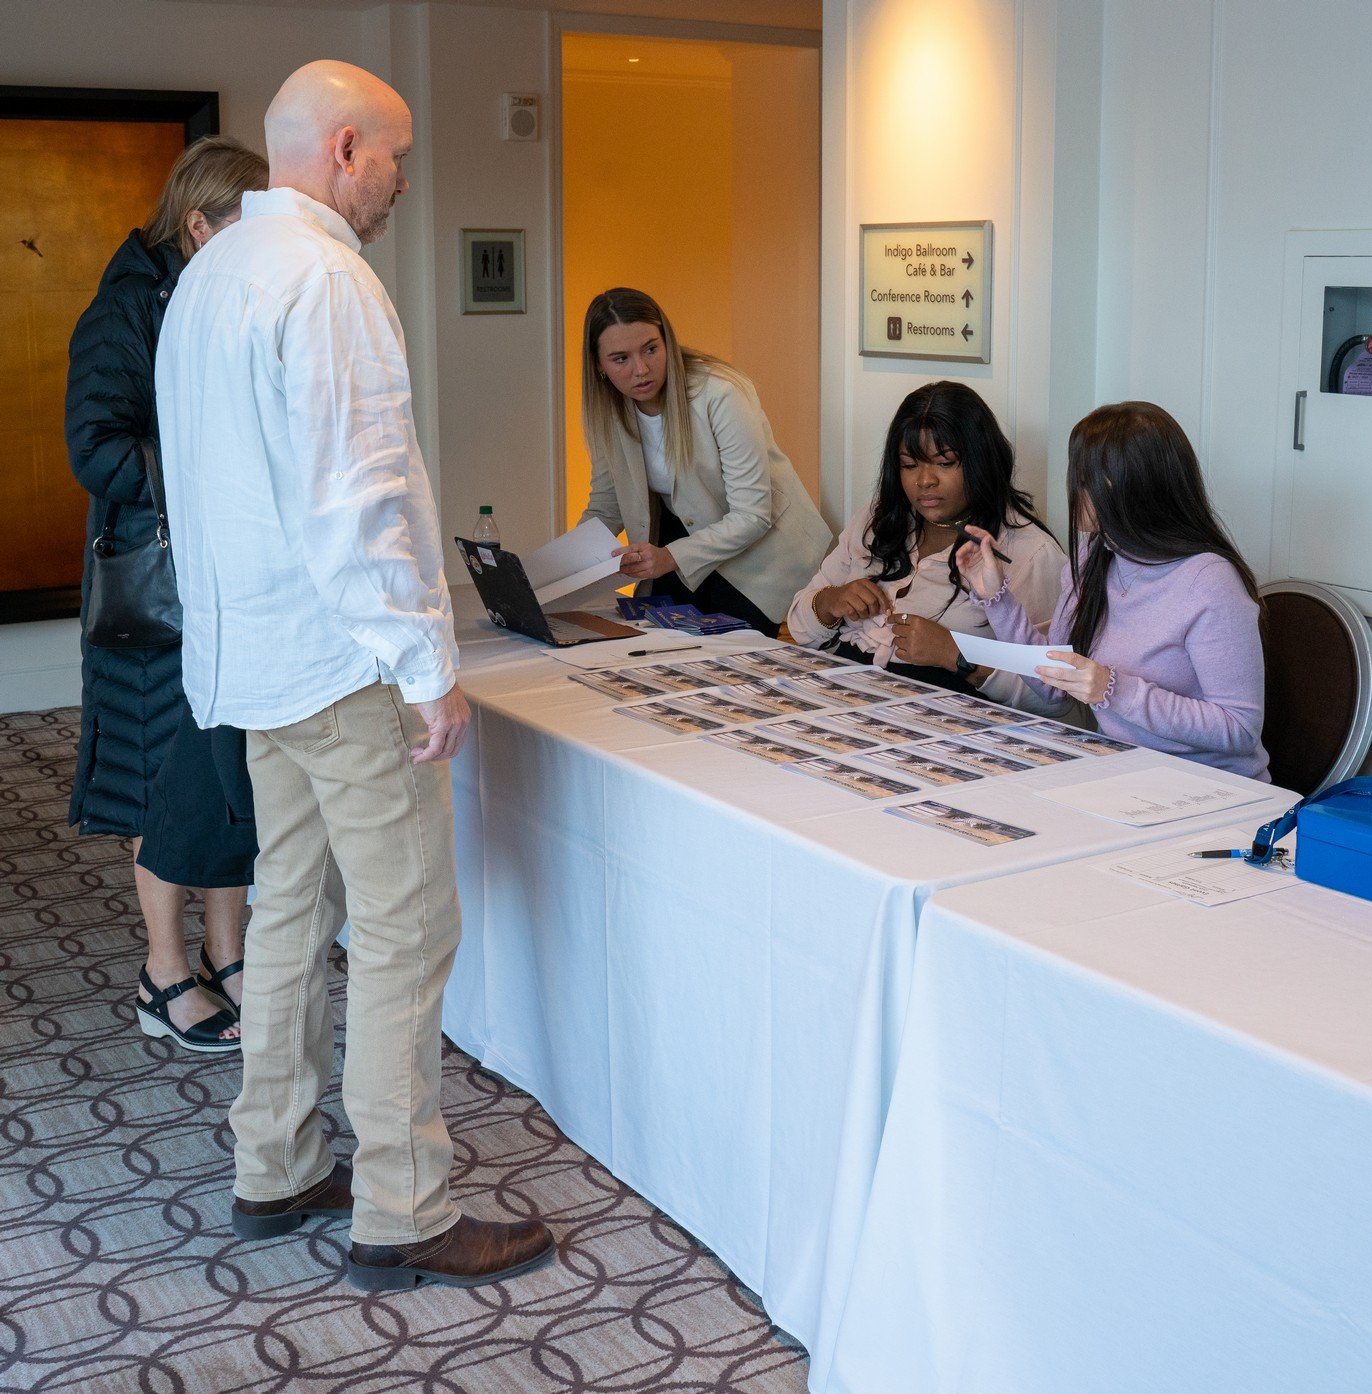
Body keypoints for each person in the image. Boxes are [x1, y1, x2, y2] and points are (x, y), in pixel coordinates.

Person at [156, 60, 555, 1289]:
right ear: (342, 149)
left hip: (254, 657)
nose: (400, 182)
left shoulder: (212, 271)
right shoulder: (328, 279)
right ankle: (403, 1203)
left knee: (289, 906)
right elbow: (360, 497)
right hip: (342, 660)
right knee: (405, 924)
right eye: (395, 157)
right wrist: (428, 664)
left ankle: (273, 1161)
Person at [66, 135, 269, 1054]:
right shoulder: (123, 309)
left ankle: (226, 954)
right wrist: (200, 470)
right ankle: (162, 971)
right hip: (153, 591)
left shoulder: (212, 291)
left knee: (223, 775)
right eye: (248, 225)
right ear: (198, 225)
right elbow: (94, 450)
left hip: (219, 576)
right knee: (161, 780)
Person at [956, 401, 1270, 779]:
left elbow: (1240, 729)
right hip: (1125, 772)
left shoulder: (1209, 581)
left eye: (1082, 478)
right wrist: (997, 598)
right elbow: (1054, 687)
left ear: (1122, 484)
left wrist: (1113, 689)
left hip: (1208, 783)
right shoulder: (1094, 555)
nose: (1072, 490)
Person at [787, 381, 1070, 715]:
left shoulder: (1029, 552)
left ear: (980, 462)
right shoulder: (877, 519)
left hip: (948, 722)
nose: (924, 481)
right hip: (847, 700)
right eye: (909, 465)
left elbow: (1056, 700)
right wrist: (831, 601)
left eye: (944, 463)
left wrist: (956, 655)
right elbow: (800, 629)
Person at [577, 288, 831, 634]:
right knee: (650, 649)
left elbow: (753, 515)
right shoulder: (605, 411)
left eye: (651, 349)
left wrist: (670, 557)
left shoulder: (720, 393)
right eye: (620, 359)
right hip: (679, 545)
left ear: (667, 342)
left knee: (728, 658)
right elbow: (605, 508)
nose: (641, 369)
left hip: (760, 557)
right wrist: (555, 572)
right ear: (598, 365)